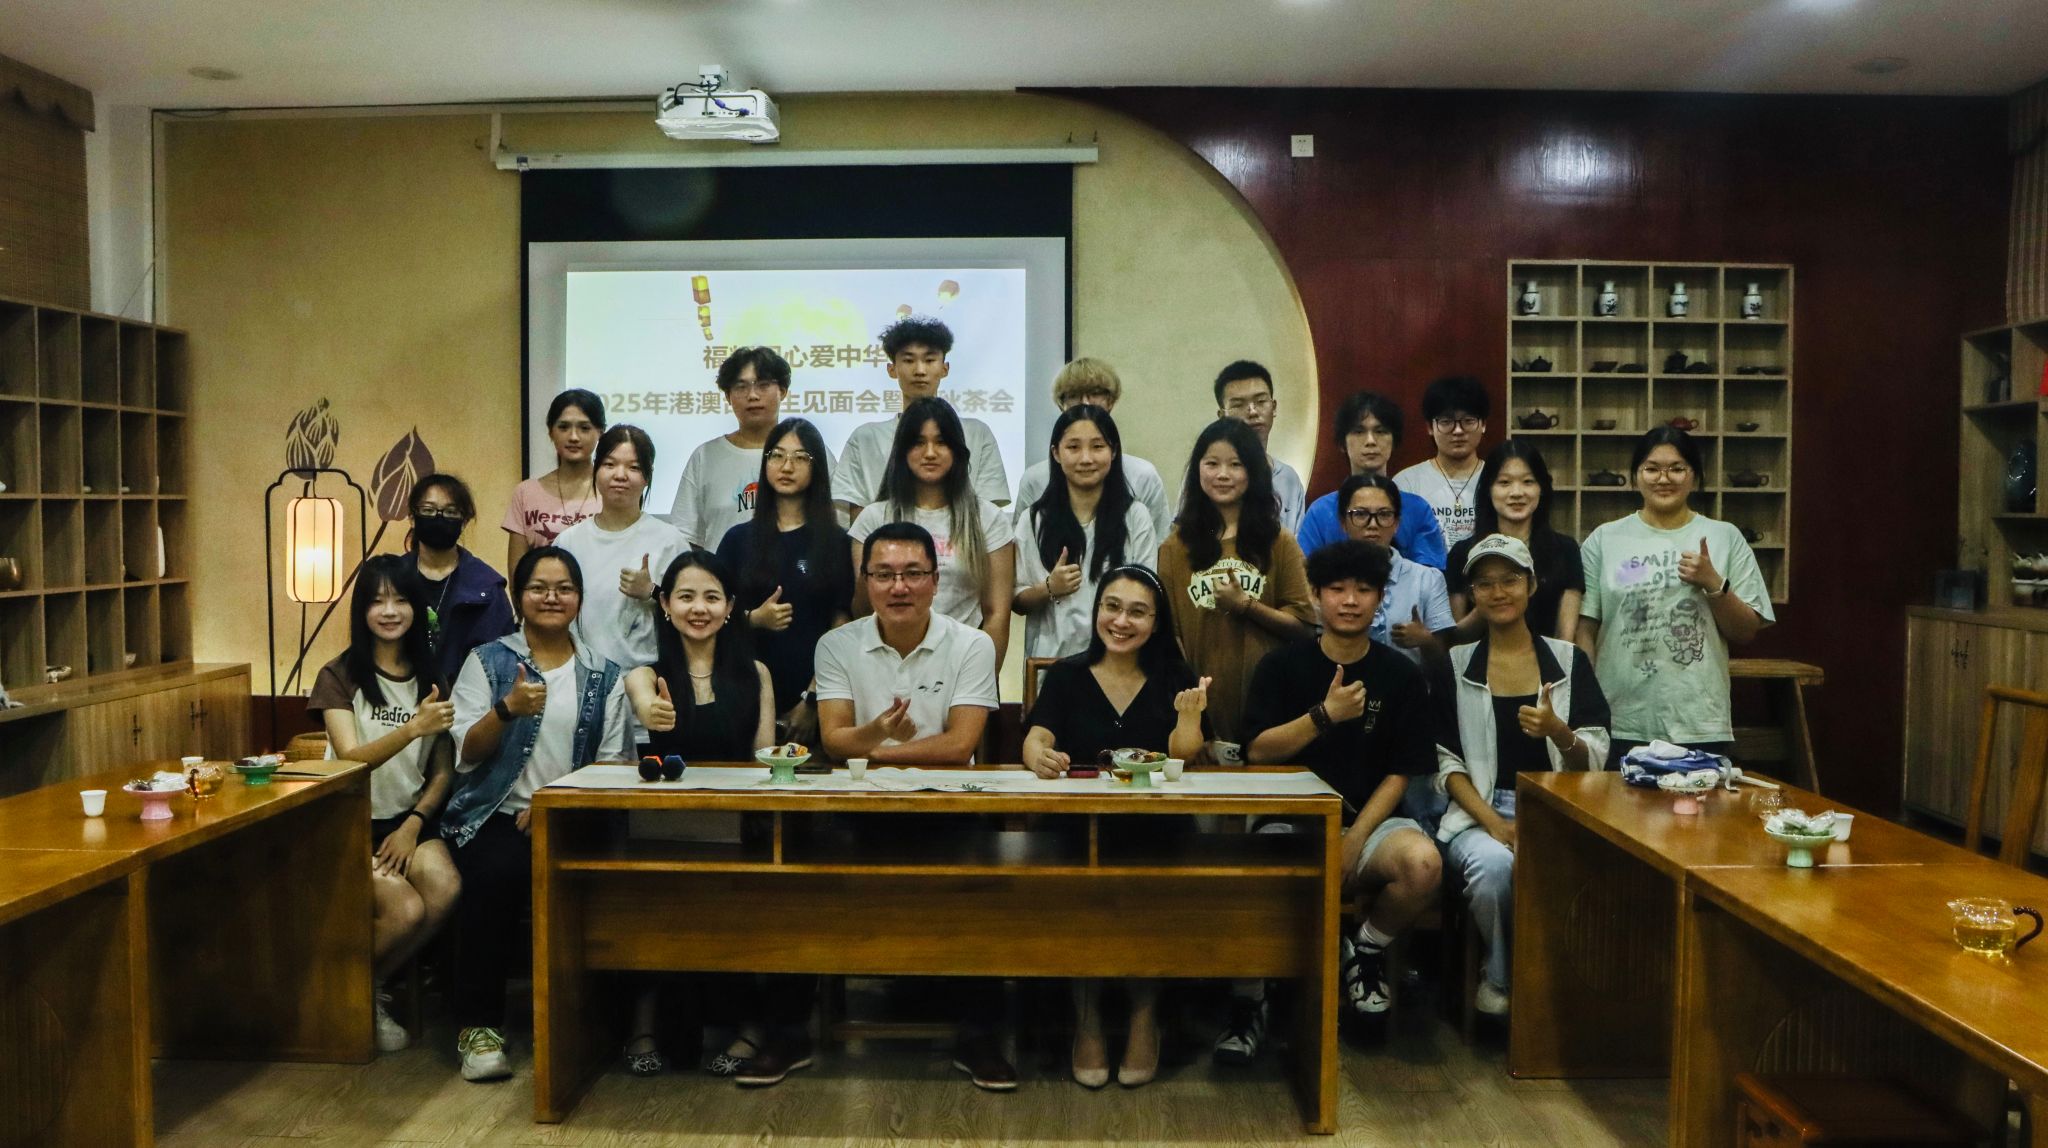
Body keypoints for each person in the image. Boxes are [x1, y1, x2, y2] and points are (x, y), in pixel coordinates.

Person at [814, 522, 1008, 1088]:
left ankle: (980, 1037)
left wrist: (873, 749)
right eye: (884, 575)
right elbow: (833, 740)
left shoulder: (971, 644)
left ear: (935, 580)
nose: (899, 587)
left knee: (982, 891)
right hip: (858, 811)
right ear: (866, 582)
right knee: (797, 880)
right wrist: (875, 731)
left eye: (913, 574)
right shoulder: (836, 645)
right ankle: (791, 1031)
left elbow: (960, 744)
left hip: (949, 810)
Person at [1233, 539, 1440, 1055]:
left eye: (1364, 590)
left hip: (1372, 824)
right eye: (1337, 589)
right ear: (1316, 595)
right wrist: (1324, 716)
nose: (1350, 600)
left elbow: (1401, 772)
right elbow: (1257, 751)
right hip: (1292, 821)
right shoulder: (1281, 666)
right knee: (1253, 869)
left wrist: (1354, 840)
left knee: (1423, 864)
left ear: (1380, 598)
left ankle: (1365, 950)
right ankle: (1249, 998)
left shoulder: (1401, 675)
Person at [442, 546, 628, 1083]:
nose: (552, 597)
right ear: (520, 597)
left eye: (564, 588)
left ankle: (600, 1023)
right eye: (539, 588)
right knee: (496, 876)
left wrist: (555, 806)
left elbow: (613, 765)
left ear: (579, 599)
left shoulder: (604, 674)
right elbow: (466, 753)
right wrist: (506, 710)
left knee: (616, 879)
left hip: (573, 813)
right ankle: (479, 1028)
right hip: (495, 814)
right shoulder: (487, 661)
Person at [1021, 566, 1207, 1088]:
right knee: (1078, 894)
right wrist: (1038, 755)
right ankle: (1087, 1020)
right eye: (1112, 607)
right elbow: (1036, 737)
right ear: (1097, 610)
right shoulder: (1068, 675)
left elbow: (1184, 754)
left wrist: (1189, 718)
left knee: (1152, 893)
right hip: (1075, 828)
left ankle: (1145, 1018)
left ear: (1156, 622)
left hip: (1158, 827)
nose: (1121, 621)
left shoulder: (1175, 675)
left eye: (1137, 612)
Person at [617, 551, 786, 1081]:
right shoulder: (645, 675)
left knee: (740, 906)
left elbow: (764, 758)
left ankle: (749, 1024)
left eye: (712, 597)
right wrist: (653, 711)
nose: (699, 608)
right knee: (654, 907)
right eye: (686, 597)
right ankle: (643, 1026)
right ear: (665, 605)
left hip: (737, 824)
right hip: (663, 826)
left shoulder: (756, 674)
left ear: (731, 607)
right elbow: (643, 704)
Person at [1429, 534, 1610, 1017]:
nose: (1498, 592)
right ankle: (1502, 978)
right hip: (1478, 814)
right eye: (1485, 584)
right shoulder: (1455, 665)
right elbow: (1447, 765)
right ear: (1472, 594)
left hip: (1556, 811)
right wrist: (1495, 824)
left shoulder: (1568, 661)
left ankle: (1563, 987)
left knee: (1584, 869)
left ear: (1531, 585)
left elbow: (1596, 757)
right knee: (1493, 868)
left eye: (1510, 579)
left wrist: (1558, 732)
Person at [306, 554, 461, 1056]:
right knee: (405, 909)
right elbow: (350, 760)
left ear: (416, 607)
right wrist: (412, 728)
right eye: (376, 601)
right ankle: (348, 994)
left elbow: (442, 771)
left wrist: (414, 824)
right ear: (362, 611)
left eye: (400, 600)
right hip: (349, 822)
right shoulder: (339, 674)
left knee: (445, 887)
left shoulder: (432, 677)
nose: (389, 611)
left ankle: (365, 987)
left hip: (406, 820)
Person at [1577, 427, 1773, 764]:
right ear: (1635, 476)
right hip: (1619, 718)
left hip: (1699, 722)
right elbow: (1586, 628)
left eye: (1677, 468)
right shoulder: (1604, 539)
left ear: (1694, 476)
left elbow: (1745, 631)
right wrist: (1588, 702)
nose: (1663, 478)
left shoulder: (1724, 537)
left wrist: (1713, 582)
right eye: (1652, 468)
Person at [1157, 418, 1315, 760]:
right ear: (1197, 470)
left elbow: (1304, 626)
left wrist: (1246, 605)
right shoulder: (1174, 547)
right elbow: (1169, 637)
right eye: (1212, 464)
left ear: (1253, 472)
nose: (1222, 475)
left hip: (1267, 704)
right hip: (1197, 703)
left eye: (1236, 465)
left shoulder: (1279, 542)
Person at [714, 417, 854, 746]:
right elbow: (712, 614)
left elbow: (842, 625)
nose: (786, 466)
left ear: (817, 467)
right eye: (776, 455)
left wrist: (813, 699)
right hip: (742, 695)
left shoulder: (836, 542)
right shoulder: (737, 540)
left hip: (815, 700)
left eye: (800, 457)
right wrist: (753, 619)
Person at [848, 397, 1016, 667]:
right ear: (902, 450)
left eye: (941, 442)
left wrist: (982, 678)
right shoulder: (873, 519)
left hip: (962, 666)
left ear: (957, 450)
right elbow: (863, 611)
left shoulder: (988, 519)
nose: (930, 453)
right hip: (886, 667)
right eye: (918, 443)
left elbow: (996, 614)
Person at [1012, 404, 1156, 660]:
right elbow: (1017, 599)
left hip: (1118, 663)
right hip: (1051, 664)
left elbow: (1148, 590)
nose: (1086, 458)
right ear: (1056, 453)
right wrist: (1049, 587)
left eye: (1098, 446)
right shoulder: (1033, 519)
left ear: (1113, 451)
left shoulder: (1135, 516)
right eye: (1074, 447)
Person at [833, 316, 1010, 518]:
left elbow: (989, 514)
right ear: (892, 369)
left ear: (945, 368)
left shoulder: (977, 433)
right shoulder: (866, 437)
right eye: (909, 360)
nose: (920, 370)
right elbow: (858, 518)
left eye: (929, 360)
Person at [554, 425, 689, 680]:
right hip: (581, 680)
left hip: (648, 681)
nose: (620, 475)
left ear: (647, 477)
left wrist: (652, 592)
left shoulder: (670, 541)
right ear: (595, 471)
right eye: (609, 464)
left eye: (634, 467)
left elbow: (693, 613)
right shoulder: (568, 542)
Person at [666, 346, 829, 549]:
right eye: (741, 387)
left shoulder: (810, 452)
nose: (752, 395)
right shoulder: (705, 457)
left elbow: (834, 526)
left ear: (783, 391)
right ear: (728, 396)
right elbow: (685, 538)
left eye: (763, 385)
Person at [1011, 358, 1173, 539]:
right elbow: (1022, 545)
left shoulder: (1143, 475)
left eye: (1095, 393)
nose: (1085, 403)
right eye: (1074, 395)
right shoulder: (1034, 479)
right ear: (1061, 404)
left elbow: (1160, 541)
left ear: (1111, 401)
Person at [1445, 441, 1583, 642]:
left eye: (1528, 481)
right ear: (1488, 489)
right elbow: (1457, 637)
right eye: (1504, 483)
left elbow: (1566, 638)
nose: (1517, 492)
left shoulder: (1566, 550)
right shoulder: (1463, 552)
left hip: (1548, 660)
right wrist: (1489, 598)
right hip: (1481, 660)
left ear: (1542, 488)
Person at [1295, 391, 1448, 567]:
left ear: (1394, 440)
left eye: (1380, 431)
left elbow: (1430, 576)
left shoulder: (1417, 509)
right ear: (1342, 443)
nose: (1370, 441)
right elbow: (1303, 575)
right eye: (1359, 431)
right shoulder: (1321, 511)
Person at [404, 473, 514, 687]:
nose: (438, 517)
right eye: (428, 510)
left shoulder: (488, 587)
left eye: (450, 512)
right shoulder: (392, 579)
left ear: (464, 522)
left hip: (468, 700)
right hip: (398, 699)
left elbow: (500, 663)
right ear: (412, 517)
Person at [1335, 474, 1454, 665]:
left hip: (1410, 681)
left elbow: (1445, 656)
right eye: (1360, 514)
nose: (1372, 524)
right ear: (1343, 522)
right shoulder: (1327, 578)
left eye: (1384, 515)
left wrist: (1424, 639)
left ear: (1397, 523)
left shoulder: (1427, 579)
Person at [503, 389, 606, 569]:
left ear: (600, 433)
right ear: (551, 432)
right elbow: (518, 574)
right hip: (542, 587)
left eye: (584, 428)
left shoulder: (612, 492)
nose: (573, 437)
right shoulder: (526, 492)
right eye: (563, 427)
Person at [1394, 375, 1491, 546]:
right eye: (1446, 422)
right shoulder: (1407, 483)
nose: (1458, 431)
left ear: (1483, 425)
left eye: (1468, 421)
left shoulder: (1497, 478)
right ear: (1430, 428)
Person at [1213, 360, 1306, 534]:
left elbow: (1297, 546)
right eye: (1238, 405)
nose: (1252, 411)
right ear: (1222, 416)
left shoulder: (1289, 479)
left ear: (1274, 407)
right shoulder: (1209, 474)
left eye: (1261, 401)